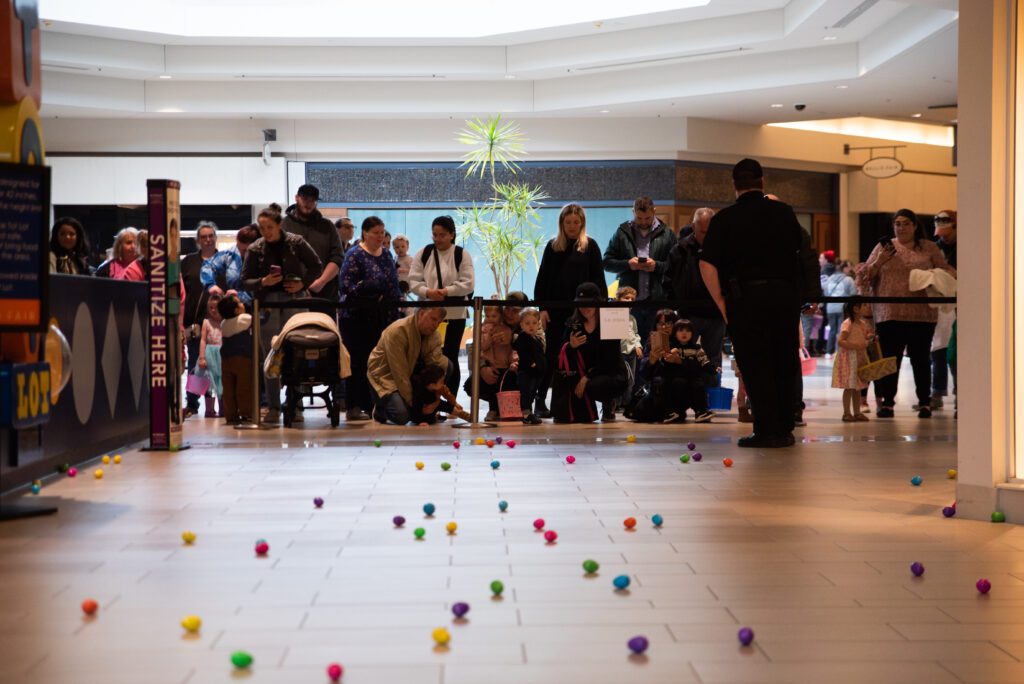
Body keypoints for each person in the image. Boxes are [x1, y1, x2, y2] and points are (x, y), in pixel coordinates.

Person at [699, 158, 813, 448]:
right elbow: (802, 253)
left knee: (755, 363)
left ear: (734, 184)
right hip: (784, 297)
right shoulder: (784, 213)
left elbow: (707, 265)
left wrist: (723, 304)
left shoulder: (725, 219)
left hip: (745, 300)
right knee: (785, 361)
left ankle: (765, 430)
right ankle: (785, 429)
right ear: (762, 182)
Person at [857, 208, 955, 418]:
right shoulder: (884, 247)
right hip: (889, 312)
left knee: (920, 360)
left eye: (906, 223)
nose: (901, 228)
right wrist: (879, 261)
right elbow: (864, 277)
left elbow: (947, 272)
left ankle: (924, 402)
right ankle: (887, 402)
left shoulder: (928, 247)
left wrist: (930, 276)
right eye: (897, 224)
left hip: (921, 314)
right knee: (890, 360)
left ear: (915, 225)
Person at [241, 203, 324, 424]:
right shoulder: (255, 248)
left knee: (297, 351)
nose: (266, 231)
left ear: (279, 225)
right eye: (262, 227)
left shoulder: (296, 242)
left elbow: (317, 265)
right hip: (267, 306)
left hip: (295, 302)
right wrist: (263, 282)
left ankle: (295, 404)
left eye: (269, 227)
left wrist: (302, 284)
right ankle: (273, 407)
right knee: (269, 355)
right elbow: (244, 281)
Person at [534, 203, 607, 418]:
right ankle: (540, 400)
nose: (572, 226)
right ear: (562, 224)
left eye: (576, 222)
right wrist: (543, 308)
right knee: (554, 355)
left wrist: (598, 310)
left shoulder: (590, 246)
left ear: (582, 223)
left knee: (583, 355)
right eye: (568, 222)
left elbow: (599, 280)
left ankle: (582, 400)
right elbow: (543, 281)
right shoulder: (553, 246)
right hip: (556, 312)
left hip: (583, 312)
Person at [338, 216, 403, 421]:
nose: (379, 236)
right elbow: (347, 285)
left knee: (377, 362)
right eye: (375, 232)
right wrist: (371, 288)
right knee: (358, 361)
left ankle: (374, 405)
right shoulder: (354, 254)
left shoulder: (386, 255)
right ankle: (354, 405)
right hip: (356, 317)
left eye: (382, 232)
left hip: (381, 316)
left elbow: (393, 283)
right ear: (365, 233)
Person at [407, 215, 475, 395]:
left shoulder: (461, 254)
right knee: (425, 357)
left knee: (450, 355)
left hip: (454, 314)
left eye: (442, 235)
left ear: (452, 235)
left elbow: (468, 284)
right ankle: (427, 397)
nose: (438, 239)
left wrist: (446, 292)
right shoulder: (424, 253)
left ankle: (450, 398)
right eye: (434, 235)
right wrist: (428, 292)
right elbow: (413, 281)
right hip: (427, 314)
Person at [664, 207, 725, 384]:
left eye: (709, 232)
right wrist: (674, 306)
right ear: (693, 226)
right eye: (702, 232)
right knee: (682, 356)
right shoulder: (680, 249)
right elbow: (668, 278)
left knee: (712, 359)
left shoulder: (722, 249)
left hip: (715, 313)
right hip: (688, 314)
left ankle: (709, 399)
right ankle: (682, 396)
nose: (705, 236)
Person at [602, 197, 675, 339]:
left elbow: (676, 267)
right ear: (633, 212)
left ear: (654, 211)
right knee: (626, 346)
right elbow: (606, 263)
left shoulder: (668, 234)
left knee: (656, 347)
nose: (643, 222)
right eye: (639, 218)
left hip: (657, 302)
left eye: (647, 218)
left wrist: (657, 266)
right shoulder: (621, 232)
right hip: (628, 303)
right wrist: (628, 264)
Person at [366, 307, 450, 425]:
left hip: (412, 374)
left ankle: (422, 409)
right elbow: (399, 371)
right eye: (433, 319)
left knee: (447, 365)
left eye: (439, 322)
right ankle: (381, 410)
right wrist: (414, 404)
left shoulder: (434, 335)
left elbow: (435, 367)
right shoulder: (398, 331)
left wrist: (435, 400)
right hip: (386, 376)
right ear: (421, 314)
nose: (436, 325)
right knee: (402, 416)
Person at [561, 282, 627, 422]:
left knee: (593, 386)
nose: (585, 308)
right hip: (584, 372)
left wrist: (587, 378)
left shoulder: (610, 320)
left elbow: (611, 359)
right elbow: (562, 355)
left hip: (611, 372)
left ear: (598, 302)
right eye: (581, 303)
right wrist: (570, 346)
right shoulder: (572, 324)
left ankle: (608, 403)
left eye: (589, 303)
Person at [638, 319, 715, 423]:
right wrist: (661, 358)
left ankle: (701, 411)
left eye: (688, 331)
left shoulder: (696, 348)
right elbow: (647, 372)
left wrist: (713, 368)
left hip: (689, 379)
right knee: (666, 383)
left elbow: (703, 364)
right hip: (669, 382)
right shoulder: (667, 347)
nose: (684, 333)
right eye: (681, 330)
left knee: (698, 384)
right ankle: (669, 411)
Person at [282, 184, 344, 304]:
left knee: (323, 323)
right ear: (296, 198)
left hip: (324, 294)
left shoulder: (328, 226)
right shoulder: (284, 225)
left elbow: (337, 257)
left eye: (312, 200)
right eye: (305, 199)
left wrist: (321, 281)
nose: (308, 203)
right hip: (291, 294)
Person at [181, 222, 219, 417]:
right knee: (196, 364)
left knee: (217, 365)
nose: (207, 239)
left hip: (217, 324)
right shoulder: (188, 262)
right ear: (198, 240)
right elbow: (181, 292)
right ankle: (193, 403)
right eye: (203, 237)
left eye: (210, 235)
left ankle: (216, 406)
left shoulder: (224, 260)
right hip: (194, 324)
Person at [930, 209, 957, 410]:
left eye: (946, 232)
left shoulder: (966, 246)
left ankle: (960, 393)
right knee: (937, 349)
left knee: (956, 351)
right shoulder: (936, 247)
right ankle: (937, 392)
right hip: (940, 303)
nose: (943, 237)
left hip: (961, 301)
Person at [470, 303, 515, 421]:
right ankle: (492, 410)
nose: (490, 319)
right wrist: (488, 338)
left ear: (500, 316)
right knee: (492, 387)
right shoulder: (481, 329)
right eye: (487, 316)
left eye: (494, 316)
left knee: (502, 387)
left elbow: (509, 346)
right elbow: (481, 347)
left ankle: (505, 409)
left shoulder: (506, 329)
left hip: (504, 363)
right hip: (490, 363)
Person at [832, 299, 873, 422]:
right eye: (864, 305)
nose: (867, 307)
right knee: (849, 386)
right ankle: (846, 413)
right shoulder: (847, 323)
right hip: (849, 359)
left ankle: (857, 412)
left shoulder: (863, 323)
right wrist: (855, 346)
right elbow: (841, 341)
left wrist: (870, 337)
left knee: (858, 387)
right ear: (856, 308)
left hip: (859, 358)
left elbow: (866, 335)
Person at [202, 224, 261, 306]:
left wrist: (239, 295)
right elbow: (207, 266)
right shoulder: (231, 254)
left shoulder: (263, 259)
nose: (240, 253)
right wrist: (210, 285)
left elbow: (262, 289)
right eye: (238, 247)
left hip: (259, 308)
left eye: (245, 251)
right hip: (233, 310)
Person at [218, 294, 254, 425]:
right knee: (243, 386)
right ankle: (246, 413)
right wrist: (267, 312)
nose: (243, 304)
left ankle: (231, 415)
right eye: (240, 303)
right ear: (236, 310)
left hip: (226, 359)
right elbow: (259, 320)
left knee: (228, 388)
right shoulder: (244, 318)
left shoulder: (223, 323)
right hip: (242, 358)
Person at [514, 307, 547, 425]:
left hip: (537, 371)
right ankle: (526, 414)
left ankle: (530, 413)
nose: (531, 326)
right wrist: (531, 363)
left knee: (532, 392)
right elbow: (521, 351)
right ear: (521, 325)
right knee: (526, 392)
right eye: (527, 323)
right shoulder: (523, 337)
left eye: (534, 323)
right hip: (527, 371)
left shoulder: (536, 338)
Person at [613, 287, 643, 409]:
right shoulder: (613, 316)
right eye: (626, 298)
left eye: (632, 299)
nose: (629, 300)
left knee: (631, 379)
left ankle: (626, 402)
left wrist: (638, 345)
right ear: (618, 299)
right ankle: (616, 403)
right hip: (619, 353)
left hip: (630, 352)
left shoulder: (632, 319)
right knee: (619, 378)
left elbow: (635, 334)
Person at [823, 259, 856, 358]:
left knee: (832, 330)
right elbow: (853, 293)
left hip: (830, 308)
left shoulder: (829, 279)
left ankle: (828, 352)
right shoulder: (848, 279)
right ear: (844, 269)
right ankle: (838, 351)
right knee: (841, 330)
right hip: (842, 307)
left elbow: (825, 293)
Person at [198, 294, 224, 417]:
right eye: (211, 308)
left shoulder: (226, 321)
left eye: (216, 307)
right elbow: (203, 340)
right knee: (208, 383)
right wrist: (202, 357)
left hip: (222, 355)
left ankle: (224, 408)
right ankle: (209, 409)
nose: (213, 310)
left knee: (222, 382)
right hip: (209, 355)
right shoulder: (206, 322)